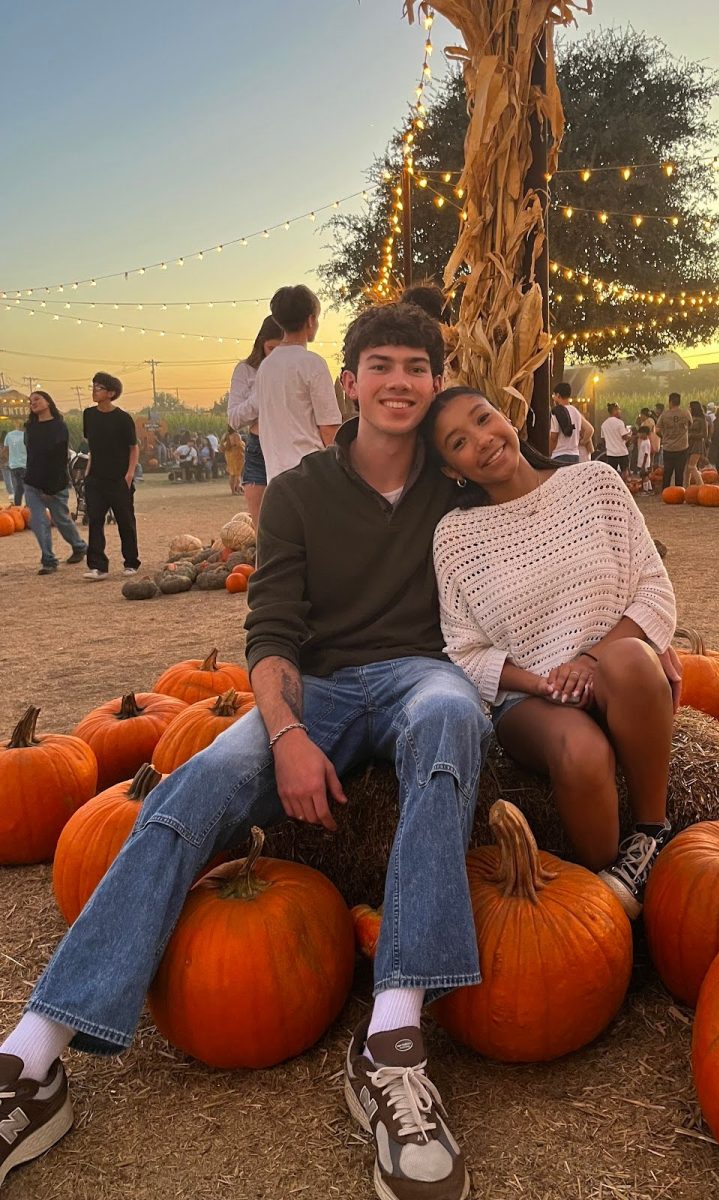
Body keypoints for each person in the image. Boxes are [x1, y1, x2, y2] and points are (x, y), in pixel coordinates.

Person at [0, 302, 491, 1200]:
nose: (398, 382)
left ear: (435, 382)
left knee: (454, 721)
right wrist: (290, 734)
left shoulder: (458, 487)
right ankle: (33, 1058)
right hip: (320, 688)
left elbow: (550, 529)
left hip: (424, 674)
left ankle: (391, 1042)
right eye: (379, 364)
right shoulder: (302, 491)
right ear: (347, 383)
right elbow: (270, 634)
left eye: (417, 368)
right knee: (197, 783)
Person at [425, 386, 679, 919]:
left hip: (615, 675)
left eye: (483, 418)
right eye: (459, 442)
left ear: (506, 416)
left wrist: (588, 661)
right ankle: (604, 893)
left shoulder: (594, 484)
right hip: (531, 703)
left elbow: (652, 589)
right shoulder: (455, 536)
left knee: (631, 658)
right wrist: (541, 684)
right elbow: (465, 649)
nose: (483, 441)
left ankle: (650, 836)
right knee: (581, 752)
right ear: (453, 470)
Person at [253, 285, 342, 481]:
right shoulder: (312, 364)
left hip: (276, 477)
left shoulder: (266, 367)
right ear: (310, 320)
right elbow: (329, 429)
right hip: (312, 475)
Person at [22, 391, 88, 574]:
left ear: (48, 402)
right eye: (30, 401)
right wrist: (31, 478)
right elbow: (31, 455)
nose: (32, 403)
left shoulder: (59, 427)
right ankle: (48, 560)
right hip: (32, 482)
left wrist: (50, 486)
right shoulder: (30, 427)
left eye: (37, 399)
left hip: (55, 482)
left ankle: (79, 546)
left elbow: (59, 458)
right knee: (38, 520)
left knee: (61, 519)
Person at [82, 372, 140, 582]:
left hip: (119, 478)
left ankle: (131, 562)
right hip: (95, 478)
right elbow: (92, 446)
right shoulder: (88, 415)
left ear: (111, 393)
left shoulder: (123, 418)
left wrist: (129, 474)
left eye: (99, 388)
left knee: (125, 521)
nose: (94, 391)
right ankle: (98, 566)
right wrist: (88, 471)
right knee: (95, 520)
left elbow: (133, 448)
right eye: (94, 386)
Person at [227, 315, 283, 526]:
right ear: (261, 343)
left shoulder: (297, 368)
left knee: (293, 525)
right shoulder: (246, 370)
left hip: (292, 448)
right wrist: (261, 393)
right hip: (258, 448)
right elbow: (233, 418)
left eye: (281, 351)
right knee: (262, 529)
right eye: (271, 349)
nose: (275, 358)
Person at [656, 393, 692, 488]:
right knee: (679, 472)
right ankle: (679, 492)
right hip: (682, 447)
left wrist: (664, 437)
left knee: (667, 471)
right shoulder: (686, 413)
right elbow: (690, 424)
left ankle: (666, 491)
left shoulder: (664, 415)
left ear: (670, 402)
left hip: (668, 447)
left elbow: (657, 430)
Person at [549, 382, 583, 464]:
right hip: (575, 455)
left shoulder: (556, 412)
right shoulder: (577, 412)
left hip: (559, 455)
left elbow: (554, 437)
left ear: (558, 395)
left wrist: (549, 453)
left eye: (554, 396)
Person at [600, 402, 630, 477]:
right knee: (624, 471)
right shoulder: (619, 422)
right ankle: (624, 486)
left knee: (612, 473)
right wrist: (630, 436)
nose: (620, 412)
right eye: (619, 410)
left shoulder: (604, 424)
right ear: (615, 410)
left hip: (611, 453)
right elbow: (624, 437)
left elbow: (603, 439)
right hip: (622, 452)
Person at [685, 400, 708, 486]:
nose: (689, 409)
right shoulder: (689, 419)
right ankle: (686, 488)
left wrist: (692, 435)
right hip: (688, 444)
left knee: (692, 466)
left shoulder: (702, 420)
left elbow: (704, 434)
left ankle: (701, 485)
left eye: (690, 407)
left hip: (697, 445)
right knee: (687, 469)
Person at [3, 422, 27, 505]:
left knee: (19, 486)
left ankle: (17, 505)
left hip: (13, 466)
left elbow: (4, 451)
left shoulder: (9, 435)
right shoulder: (26, 435)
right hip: (25, 465)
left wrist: (10, 458)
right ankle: (24, 506)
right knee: (25, 487)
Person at [221, 425, 245, 495]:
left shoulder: (225, 435)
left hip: (229, 455)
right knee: (237, 474)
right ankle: (237, 489)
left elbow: (222, 446)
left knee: (232, 474)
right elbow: (239, 445)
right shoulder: (236, 435)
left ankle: (233, 491)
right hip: (237, 456)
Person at [635, 424, 654, 492]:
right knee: (646, 476)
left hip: (644, 463)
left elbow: (646, 454)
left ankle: (645, 490)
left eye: (640, 434)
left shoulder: (646, 443)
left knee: (644, 476)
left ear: (645, 434)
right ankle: (649, 488)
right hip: (642, 462)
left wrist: (643, 465)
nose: (639, 435)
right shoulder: (644, 441)